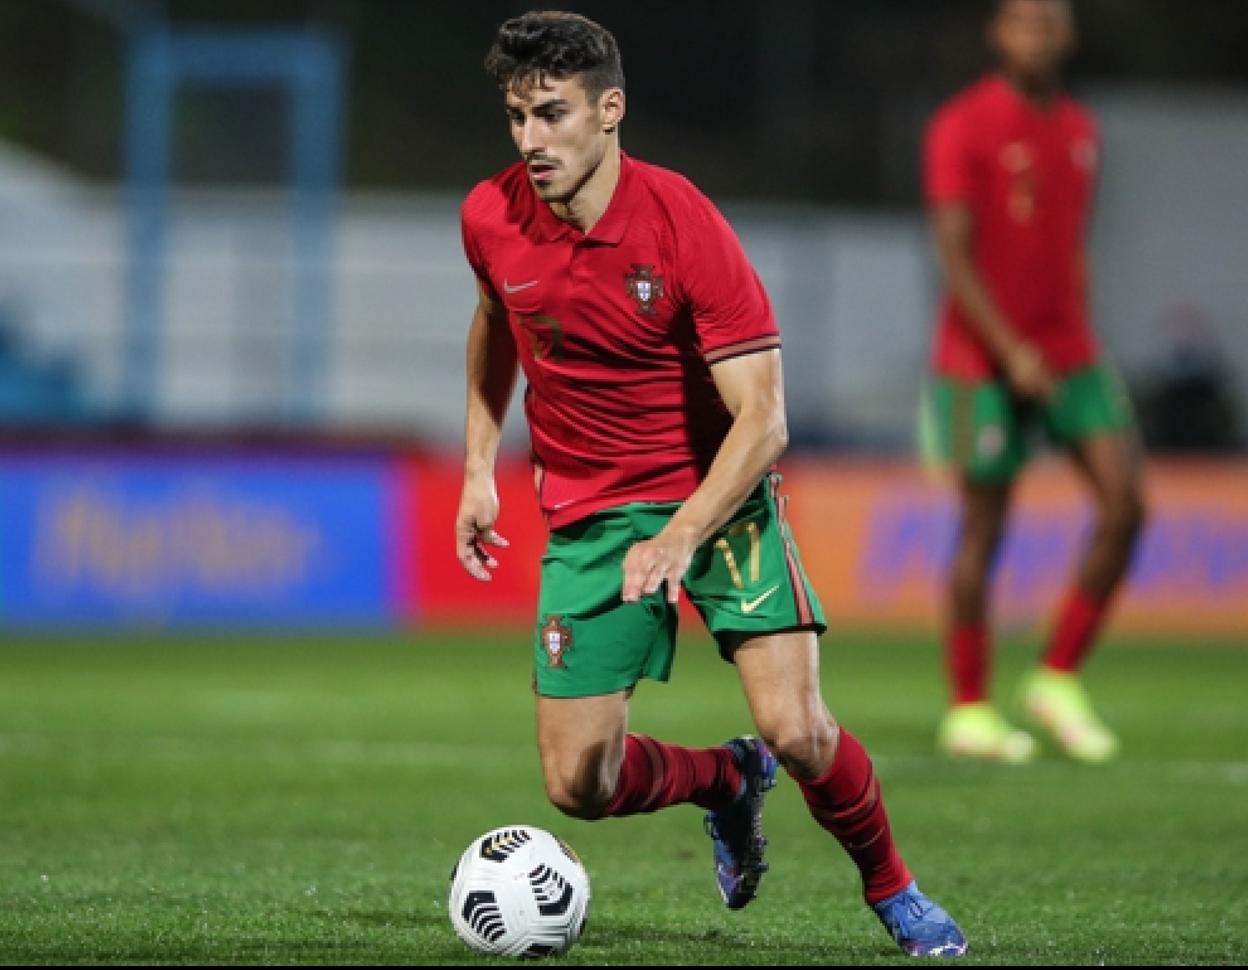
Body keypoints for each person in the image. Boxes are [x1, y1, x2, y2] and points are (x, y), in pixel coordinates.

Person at [454, 9, 967, 959]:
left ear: (610, 110)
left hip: (717, 500)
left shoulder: (681, 222)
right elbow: (495, 321)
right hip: (590, 517)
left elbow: (763, 419)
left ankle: (893, 887)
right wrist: (479, 465)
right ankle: (727, 781)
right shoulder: (490, 215)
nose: (530, 141)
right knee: (578, 786)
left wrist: (682, 532)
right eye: (517, 117)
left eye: (552, 114)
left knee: (798, 730)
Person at [920, 0, 1147, 765]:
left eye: (1050, 23)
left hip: (1070, 349)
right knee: (983, 527)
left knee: (1126, 503)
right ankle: (969, 708)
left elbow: (1069, 245)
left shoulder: (1081, 129)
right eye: (1024, 22)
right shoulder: (962, 125)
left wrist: (1077, 324)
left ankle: (1056, 676)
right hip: (977, 359)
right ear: (998, 33)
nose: (1038, 36)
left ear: (1068, 36)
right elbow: (954, 254)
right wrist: (1010, 349)